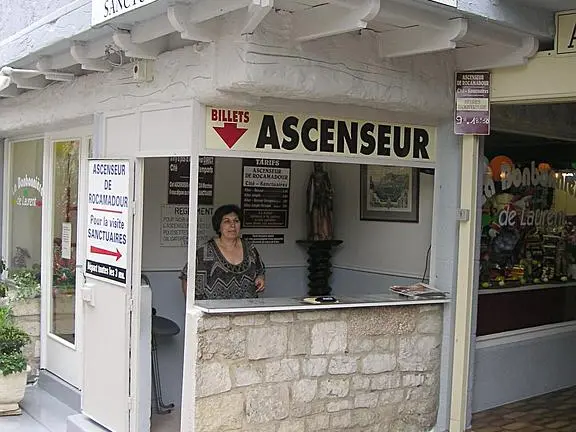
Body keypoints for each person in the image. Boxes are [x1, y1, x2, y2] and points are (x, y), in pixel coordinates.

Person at [179, 204, 266, 299]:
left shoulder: (250, 248)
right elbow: (187, 278)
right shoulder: (205, 252)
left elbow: (260, 270)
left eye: (236, 221)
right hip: (215, 312)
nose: (232, 225)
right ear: (218, 226)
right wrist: (194, 310)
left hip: (248, 310)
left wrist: (260, 278)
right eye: (226, 221)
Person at [306, 162, 334, 240]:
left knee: (324, 216)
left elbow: (330, 188)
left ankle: (325, 233)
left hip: (324, 200)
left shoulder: (325, 175)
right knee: (315, 213)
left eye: (319, 164)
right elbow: (310, 190)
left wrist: (327, 193)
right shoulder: (313, 175)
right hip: (316, 198)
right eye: (316, 164)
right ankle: (315, 233)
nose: (317, 166)